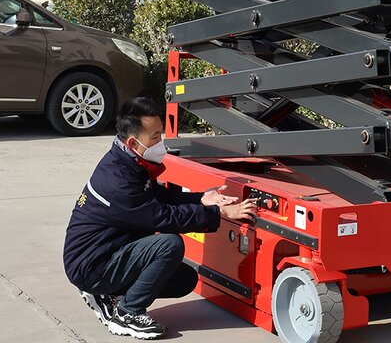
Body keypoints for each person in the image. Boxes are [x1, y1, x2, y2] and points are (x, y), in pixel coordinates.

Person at [63, 96, 258, 340]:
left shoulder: (125, 161)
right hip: (91, 265)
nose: (160, 144)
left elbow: (158, 196)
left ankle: (108, 294)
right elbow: (163, 217)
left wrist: (201, 199)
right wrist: (219, 213)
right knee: (169, 244)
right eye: (154, 138)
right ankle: (127, 314)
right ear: (134, 142)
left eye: (160, 135)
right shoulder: (119, 184)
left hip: (105, 251)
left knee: (184, 279)